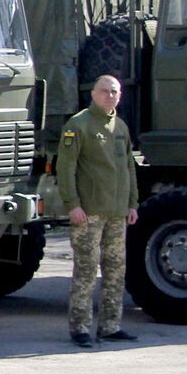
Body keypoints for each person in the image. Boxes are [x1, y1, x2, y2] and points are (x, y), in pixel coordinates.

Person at [56, 75, 140, 347]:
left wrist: (132, 203)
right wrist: (73, 205)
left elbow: (129, 166)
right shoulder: (78, 125)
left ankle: (110, 326)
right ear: (93, 94)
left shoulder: (121, 127)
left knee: (116, 270)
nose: (110, 96)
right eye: (104, 91)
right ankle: (80, 328)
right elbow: (65, 168)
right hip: (89, 212)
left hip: (117, 212)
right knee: (86, 270)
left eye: (114, 91)